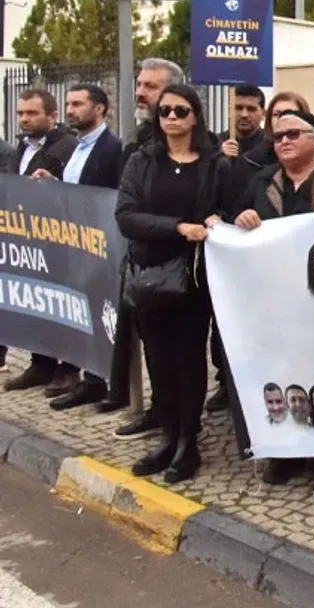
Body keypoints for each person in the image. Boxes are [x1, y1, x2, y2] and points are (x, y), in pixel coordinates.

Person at [115, 83, 236, 485]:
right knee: (158, 358)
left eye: (180, 111)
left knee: (188, 358)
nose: (171, 117)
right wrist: (178, 227)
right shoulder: (142, 160)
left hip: (193, 278)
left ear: (195, 116)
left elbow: (228, 207)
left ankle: (188, 440)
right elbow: (126, 215)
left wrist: (217, 219)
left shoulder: (214, 163)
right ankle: (168, 435)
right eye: (164, 110)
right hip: (150, 273)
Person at [229, 110, 314, 484]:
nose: (283, 141)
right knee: (280, 371)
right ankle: (286, 450)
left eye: (292, 134)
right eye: (277, 136)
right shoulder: (263, 180)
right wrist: (241, 216)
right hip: (273, 299)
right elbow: (233, 213)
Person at [102, 58, 185, 430]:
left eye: (151, 86)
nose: (140, 92)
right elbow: (126, 207)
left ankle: (183, 425)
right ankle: (159, 410)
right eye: (140, 84)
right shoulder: (137, 141)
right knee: (152, 344)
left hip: (181, 266)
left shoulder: (196, 148)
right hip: (142, 258)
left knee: (180, 351)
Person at [35, 84, 125, 410]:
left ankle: (106, 384)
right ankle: (91, 380)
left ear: (99, 109)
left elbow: (113, 196)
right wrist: (55, 185)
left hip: (99, 246)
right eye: (68, 104)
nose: (70, 110)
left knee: (103, 318)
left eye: (77, 104)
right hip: (76, 244)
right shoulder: (77, 147)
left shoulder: (112, 148)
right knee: (84, 315)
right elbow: (77, 192)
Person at [3, 88, 80, 394]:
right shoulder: (21, 147)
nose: (24, 119)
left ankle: (69, 368)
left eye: (32, 113)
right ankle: (41, 364)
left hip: (58, 238)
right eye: (21, 113)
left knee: (64, 304)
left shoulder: (67, 146)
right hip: (29, 238)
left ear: (52, 116)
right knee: (37, 303)